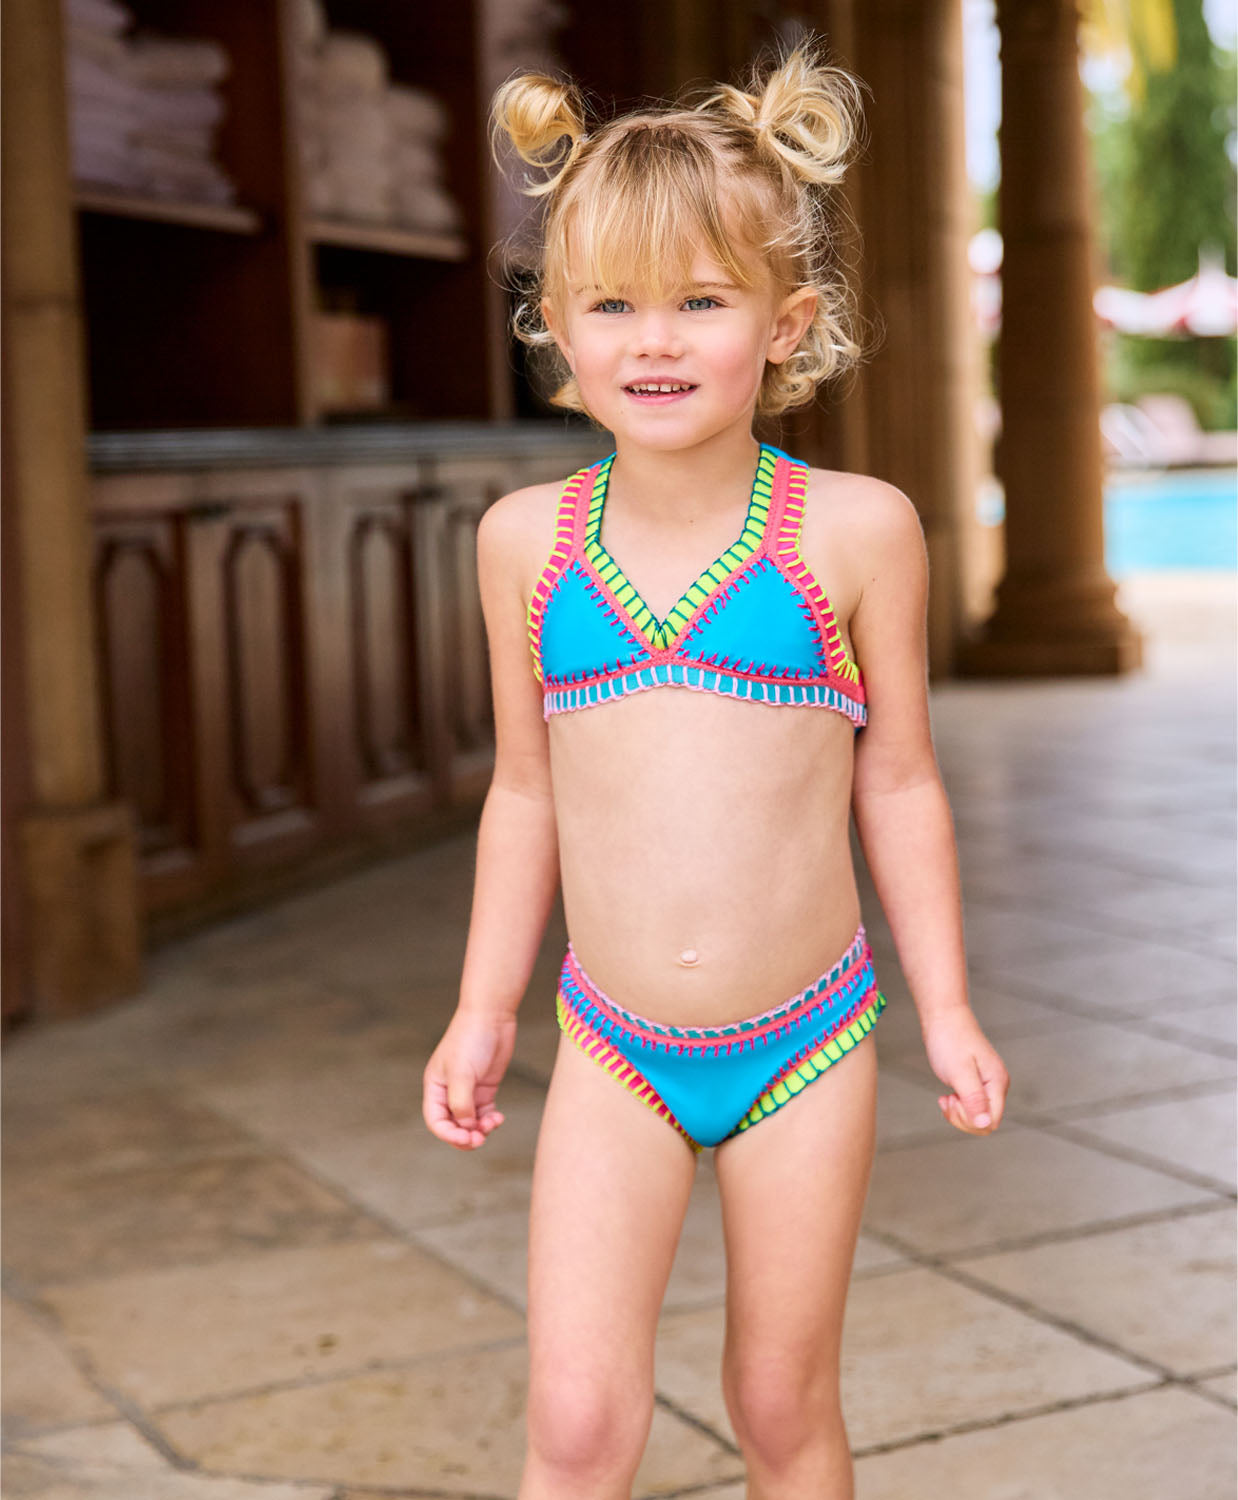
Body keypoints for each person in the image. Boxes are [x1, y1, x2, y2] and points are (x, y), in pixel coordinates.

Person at [422, 34, 1010, 1500]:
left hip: (804, 1045)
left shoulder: (854, 530)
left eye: (700, 301)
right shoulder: (520, 544)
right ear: (556, 326)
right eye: (611, 305)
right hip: (612, 1043)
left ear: (785, 320)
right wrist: (483, 1007)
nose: (655, 340)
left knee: (776, 1403)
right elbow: (523, 793)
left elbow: (900, 784)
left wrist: (942, 1006)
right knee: (572, 1425)